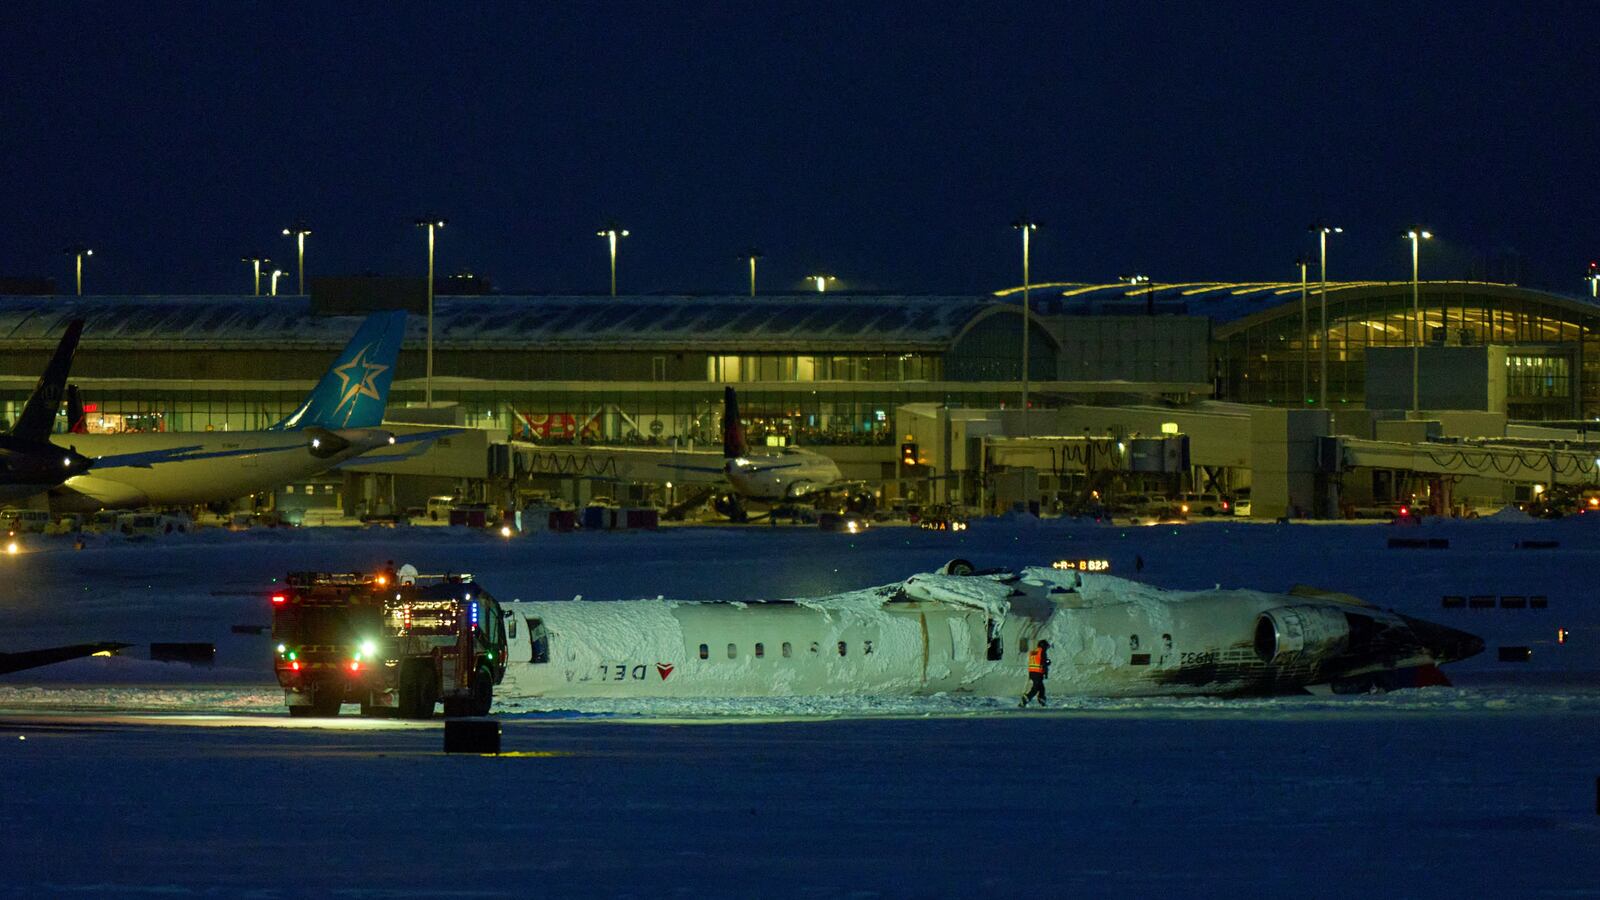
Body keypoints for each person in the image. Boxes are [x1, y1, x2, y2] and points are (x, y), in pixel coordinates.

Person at [1020, 639, 1051, 707]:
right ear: (1043, 646)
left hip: (1032, 672)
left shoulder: (1034, 652)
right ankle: (1026, 698)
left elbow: (1036, 661)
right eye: (1046, 646)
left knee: (1041, 688)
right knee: (1036, 688)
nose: (1046, 648)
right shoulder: (1042, 651)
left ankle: (1041, 699)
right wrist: (1048, 663)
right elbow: (1043, 662)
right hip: (1038, 673)